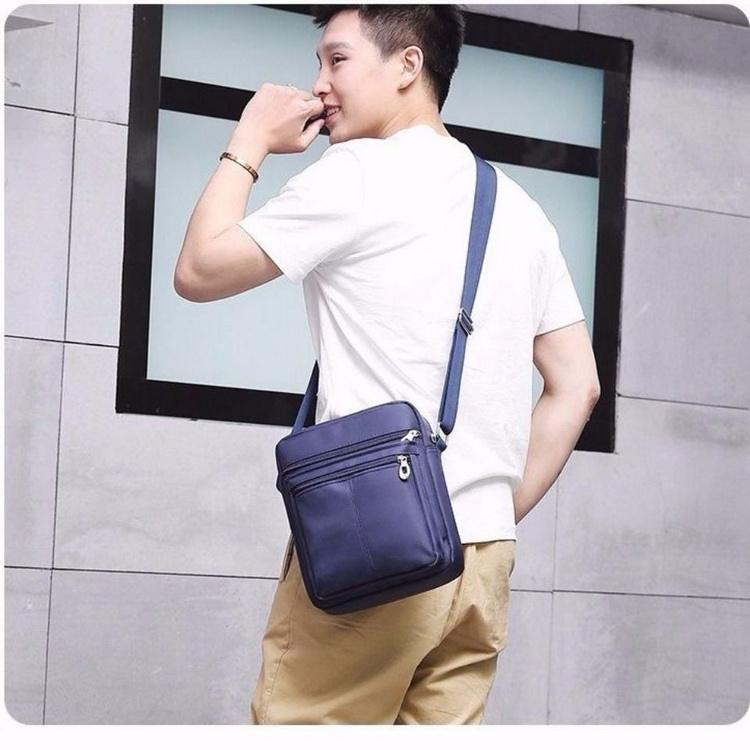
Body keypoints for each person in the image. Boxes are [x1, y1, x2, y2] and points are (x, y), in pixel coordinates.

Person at [174, 4, 600, 724]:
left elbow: (199, 270)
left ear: (408, 65)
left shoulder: (357, 173)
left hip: (377, 541)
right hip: (483, 558)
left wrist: (249, 140)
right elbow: (577, 385)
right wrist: (484, 510)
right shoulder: (518, 206)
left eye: (337, 59)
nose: (319, 82)